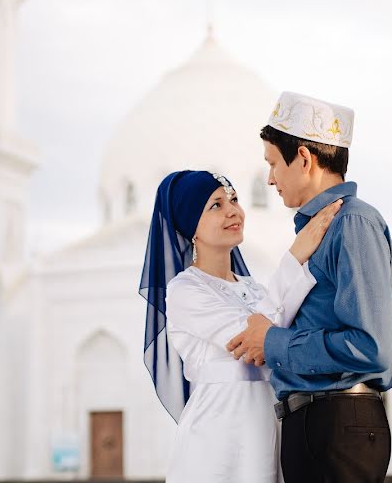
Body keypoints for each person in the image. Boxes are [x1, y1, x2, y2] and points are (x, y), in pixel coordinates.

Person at [227, 91, 392, 483]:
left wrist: (272, 342)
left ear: (304, 159)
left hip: (337, 424)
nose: (269, 178)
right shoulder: (321, 229)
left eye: (273, 164)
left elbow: (370, 348)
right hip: (317, 424)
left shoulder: (353, 224)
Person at [139, 169, 342, 483]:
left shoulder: (256, 289)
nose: (233, 210)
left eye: (233, 199)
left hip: (267, 432)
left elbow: (288, 332)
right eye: (216, 205)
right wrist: (297, 253)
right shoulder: (185, 291)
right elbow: (252, 338)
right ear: (191, 226)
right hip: (217, 438)